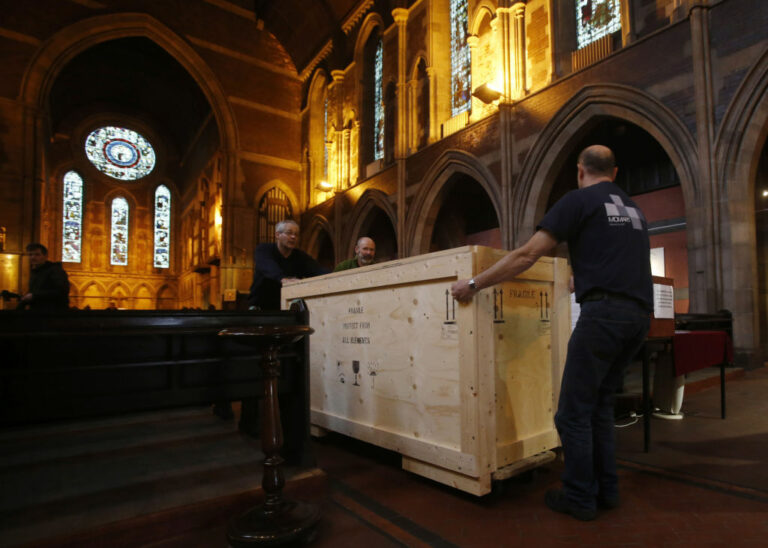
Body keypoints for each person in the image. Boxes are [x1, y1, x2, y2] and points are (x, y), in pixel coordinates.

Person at [451, 145, 652, 521]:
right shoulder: (633, 208)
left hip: (604, 316)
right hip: (639, 317)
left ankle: (579, 497)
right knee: (600, 407)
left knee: (572, 415)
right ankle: (607, 491)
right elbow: (615, 257)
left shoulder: (579, 200)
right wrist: (585, 276)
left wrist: (474, 284)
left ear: (580, 171)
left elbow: (528, 254)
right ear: (615, 172)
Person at [247, 220, 328, 310]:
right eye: (289, 233)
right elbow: (268, 266)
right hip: (261, 307)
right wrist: (282, 278)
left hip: (288, 307)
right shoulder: (264, 249)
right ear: (277, 235)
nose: (293, 237)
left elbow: (318, 270)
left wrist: (334, 275)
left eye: (296, 234)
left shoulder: (300, 256)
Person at [19, 243, 70, 311]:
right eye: (30, 255)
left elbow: (61, 292)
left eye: (37, 254)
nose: (33, 257)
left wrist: (34, 296)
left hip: (52, 312)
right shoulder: (35, 271)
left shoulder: (55, 271)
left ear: (45, 256)